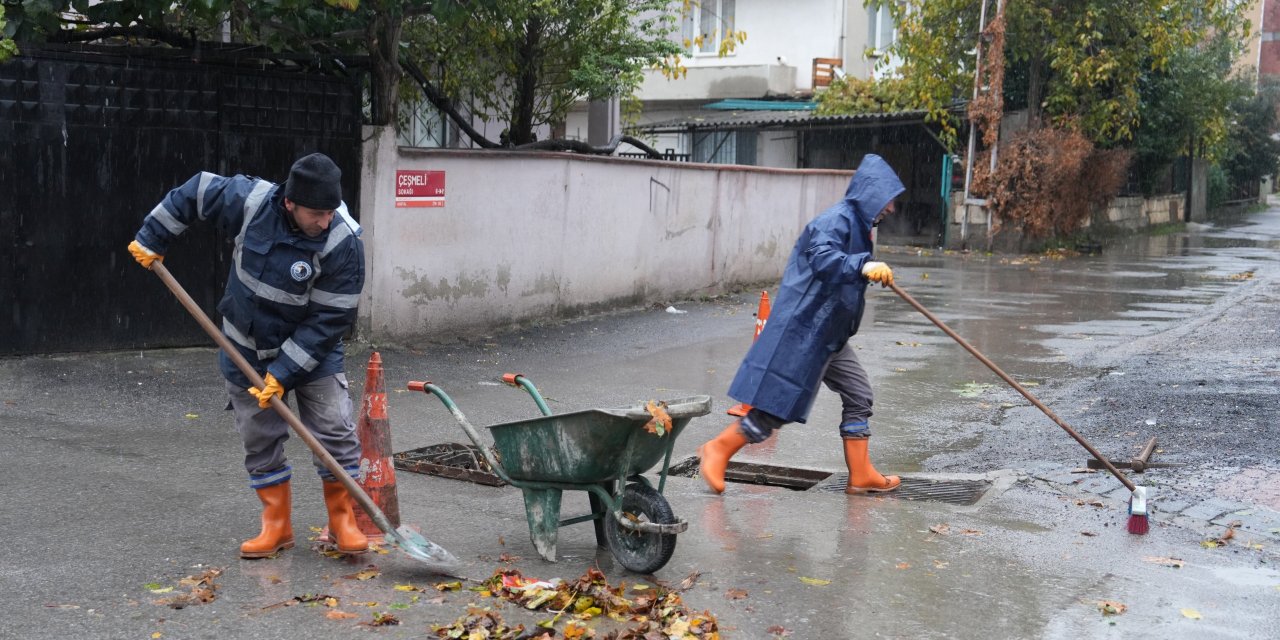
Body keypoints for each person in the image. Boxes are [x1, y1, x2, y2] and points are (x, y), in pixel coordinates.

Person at [127, 153, 369, 558]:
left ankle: (342, 521)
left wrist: (286, 371)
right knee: (260, 439)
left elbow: (330, 318)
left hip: (312, 352)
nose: (325, 221)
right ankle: (276, 526)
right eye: (316, 213)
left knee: (335, 429)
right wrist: (153, 237)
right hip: (245, 346)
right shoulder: (253, 201)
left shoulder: (343, 243)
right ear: (290, 202)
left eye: (330, 212)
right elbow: (198, 189)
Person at [699, 153, 904, 495]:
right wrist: (861, 266)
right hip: (805, 333)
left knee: (859, 394)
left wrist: (862, 267)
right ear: (871, 195)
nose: (892, 210)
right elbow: (824, 259)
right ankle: (718, 449)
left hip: (830, 335)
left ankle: (861, 474)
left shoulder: (859, 226)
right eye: (889, 202)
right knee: (776, 408)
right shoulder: (835, 221)